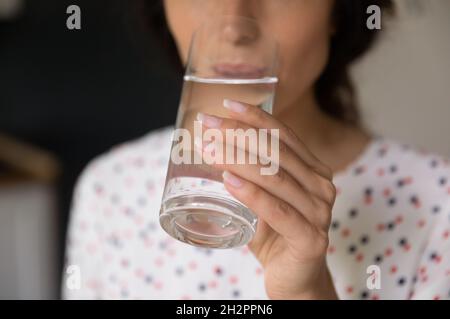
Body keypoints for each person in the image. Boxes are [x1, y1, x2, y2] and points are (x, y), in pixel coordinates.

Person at [63, 0, 450, 300]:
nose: (234, 26)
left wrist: (306, 293)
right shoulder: (108, 190)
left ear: (339, 10)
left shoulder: (437, 201)